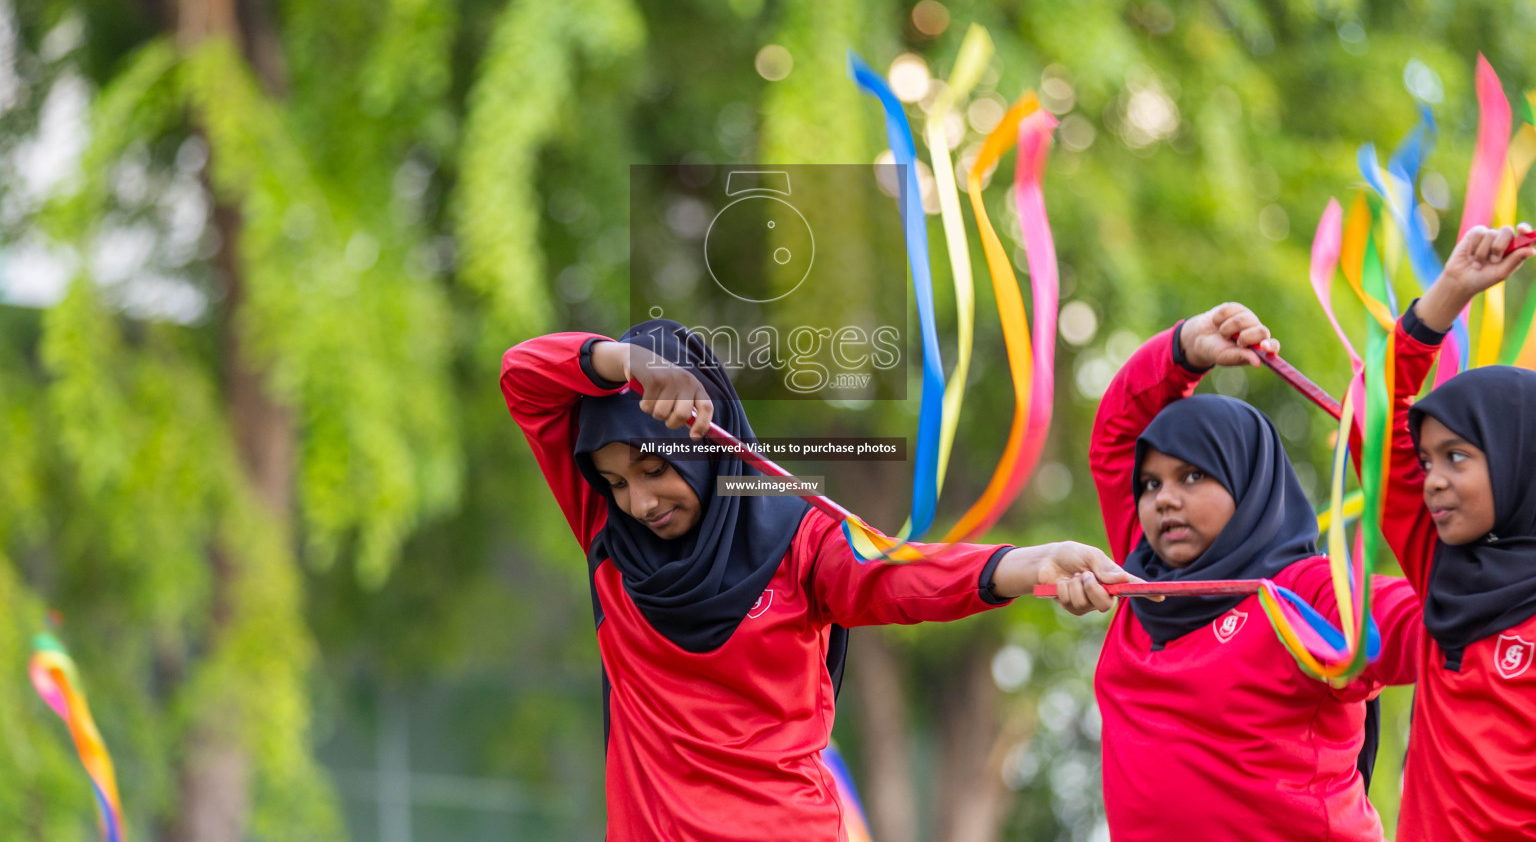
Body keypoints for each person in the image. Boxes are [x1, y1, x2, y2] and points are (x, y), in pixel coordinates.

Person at [502, 317, 1134, 841]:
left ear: (704, 442)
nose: (639, 501)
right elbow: (522, 376)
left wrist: (1029, 565)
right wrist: (627, 361)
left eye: (653, 468)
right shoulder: (608, 538)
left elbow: (899, 577)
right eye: (616, 482)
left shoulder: (799, 539)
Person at [1088, 303, 1422, 841]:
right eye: (1150, 485)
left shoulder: (1305, 593)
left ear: (1247, 486)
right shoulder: (1142, 576)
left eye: (1193, 475)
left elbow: (1420, 621)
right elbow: (1115, 436)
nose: (1164, 500)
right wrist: (1182, 350)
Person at [1379, 222, 1536, 841]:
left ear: (1519, 455)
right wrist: (1448, 293)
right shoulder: (1441, 563)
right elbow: (1378, 421)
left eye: (1458, 457)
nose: (1433, 480)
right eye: (1426, 462)